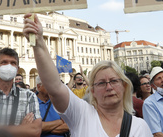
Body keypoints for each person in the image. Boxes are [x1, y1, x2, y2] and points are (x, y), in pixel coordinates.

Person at [23, 13, 152, 137]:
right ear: (93, 91)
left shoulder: (140, 127)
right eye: (101, 83)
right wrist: (39, 43)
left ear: (124, 86)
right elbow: (54, 87)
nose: (109, 87)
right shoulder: (82, 114)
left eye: (113, 81)